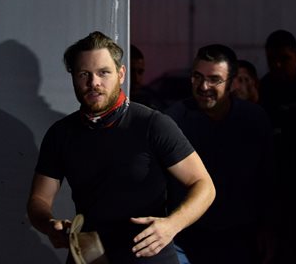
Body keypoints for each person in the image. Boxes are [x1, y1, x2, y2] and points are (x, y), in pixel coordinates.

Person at [27, 31, 216, 264]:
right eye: (84, 74)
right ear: (73, 78)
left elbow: (204, 186)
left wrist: (171, 225)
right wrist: (49, 225)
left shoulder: (153, 124)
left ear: (121, 74)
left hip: (149, 256)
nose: (93, 82)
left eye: (103, 73)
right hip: (90, 256)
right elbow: (39, 200)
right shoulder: (61, 133)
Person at [164, 44, 275, 264]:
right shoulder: (173, 120)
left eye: (214, 79)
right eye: (197, 77)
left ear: (233, 82)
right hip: (187, 238)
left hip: (241, 237)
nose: (203, 86)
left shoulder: (254, 119)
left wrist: (268, 230)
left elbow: (268, 179)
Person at [259, 29, 296, 264]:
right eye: (272, 59)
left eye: (284, 59)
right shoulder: (263, 91)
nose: (277, 65)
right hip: (274, 185)